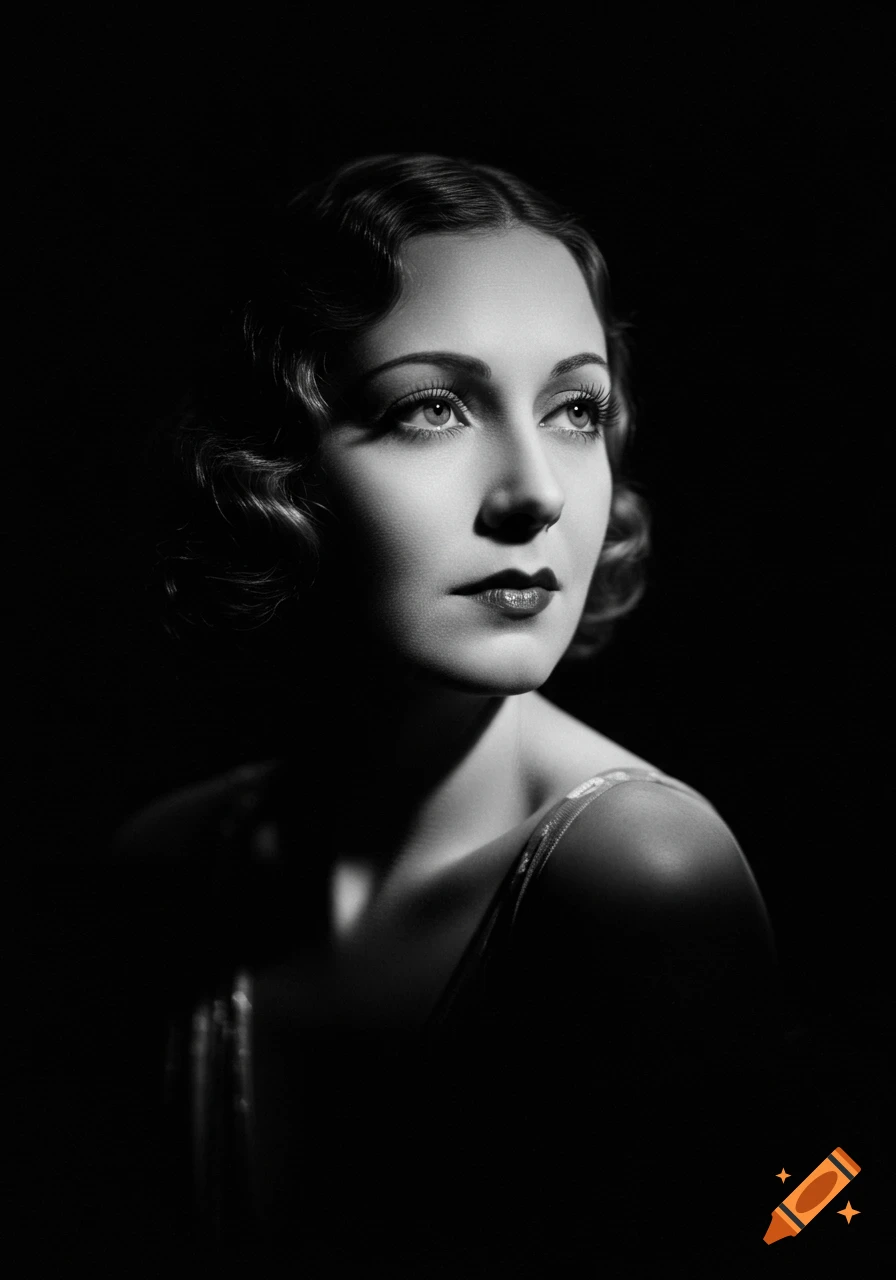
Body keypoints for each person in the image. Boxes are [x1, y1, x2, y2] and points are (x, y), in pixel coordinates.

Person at [105, 154, 784, 1277]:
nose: (535, 493)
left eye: (576, 409)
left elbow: (787, 1217)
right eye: (432, 407)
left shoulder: (645, 878)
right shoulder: (163, 870)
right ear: (270, 464)